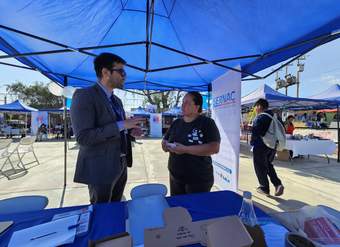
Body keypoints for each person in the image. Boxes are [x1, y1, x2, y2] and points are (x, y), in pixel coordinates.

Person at [71, 52, 143, 204]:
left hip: (121, 164)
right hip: (100, 167)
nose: (125, 76)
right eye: (121, 71)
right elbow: (83, 137)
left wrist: (130, 132)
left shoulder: (116, 100)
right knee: (101, 212)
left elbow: (117, 130)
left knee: (115, 209)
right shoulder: (84, 96)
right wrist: (123, 125)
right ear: (105, 72)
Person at [162, 92, 221, 196]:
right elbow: (165, 141)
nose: (183, 105)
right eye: (182, 102)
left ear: (197, 106)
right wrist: (166, 146)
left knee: (195, 210)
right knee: (178, 209)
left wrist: (185, 149)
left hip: (198, 180)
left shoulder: (207, 123)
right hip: (175, 177)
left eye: (187, 103)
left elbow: (214, 148)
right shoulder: (176, 123)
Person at [250, 98, 284, 196]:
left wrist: (252, 144)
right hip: (273, 146)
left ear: (259, 106)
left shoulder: (260, 117)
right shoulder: (275, 116)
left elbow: (256, 132)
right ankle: (278, 184)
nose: (255, 109)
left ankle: (264, 187)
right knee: (268, 165)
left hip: (261, 146)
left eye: (255, 107)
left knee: (260, 167)